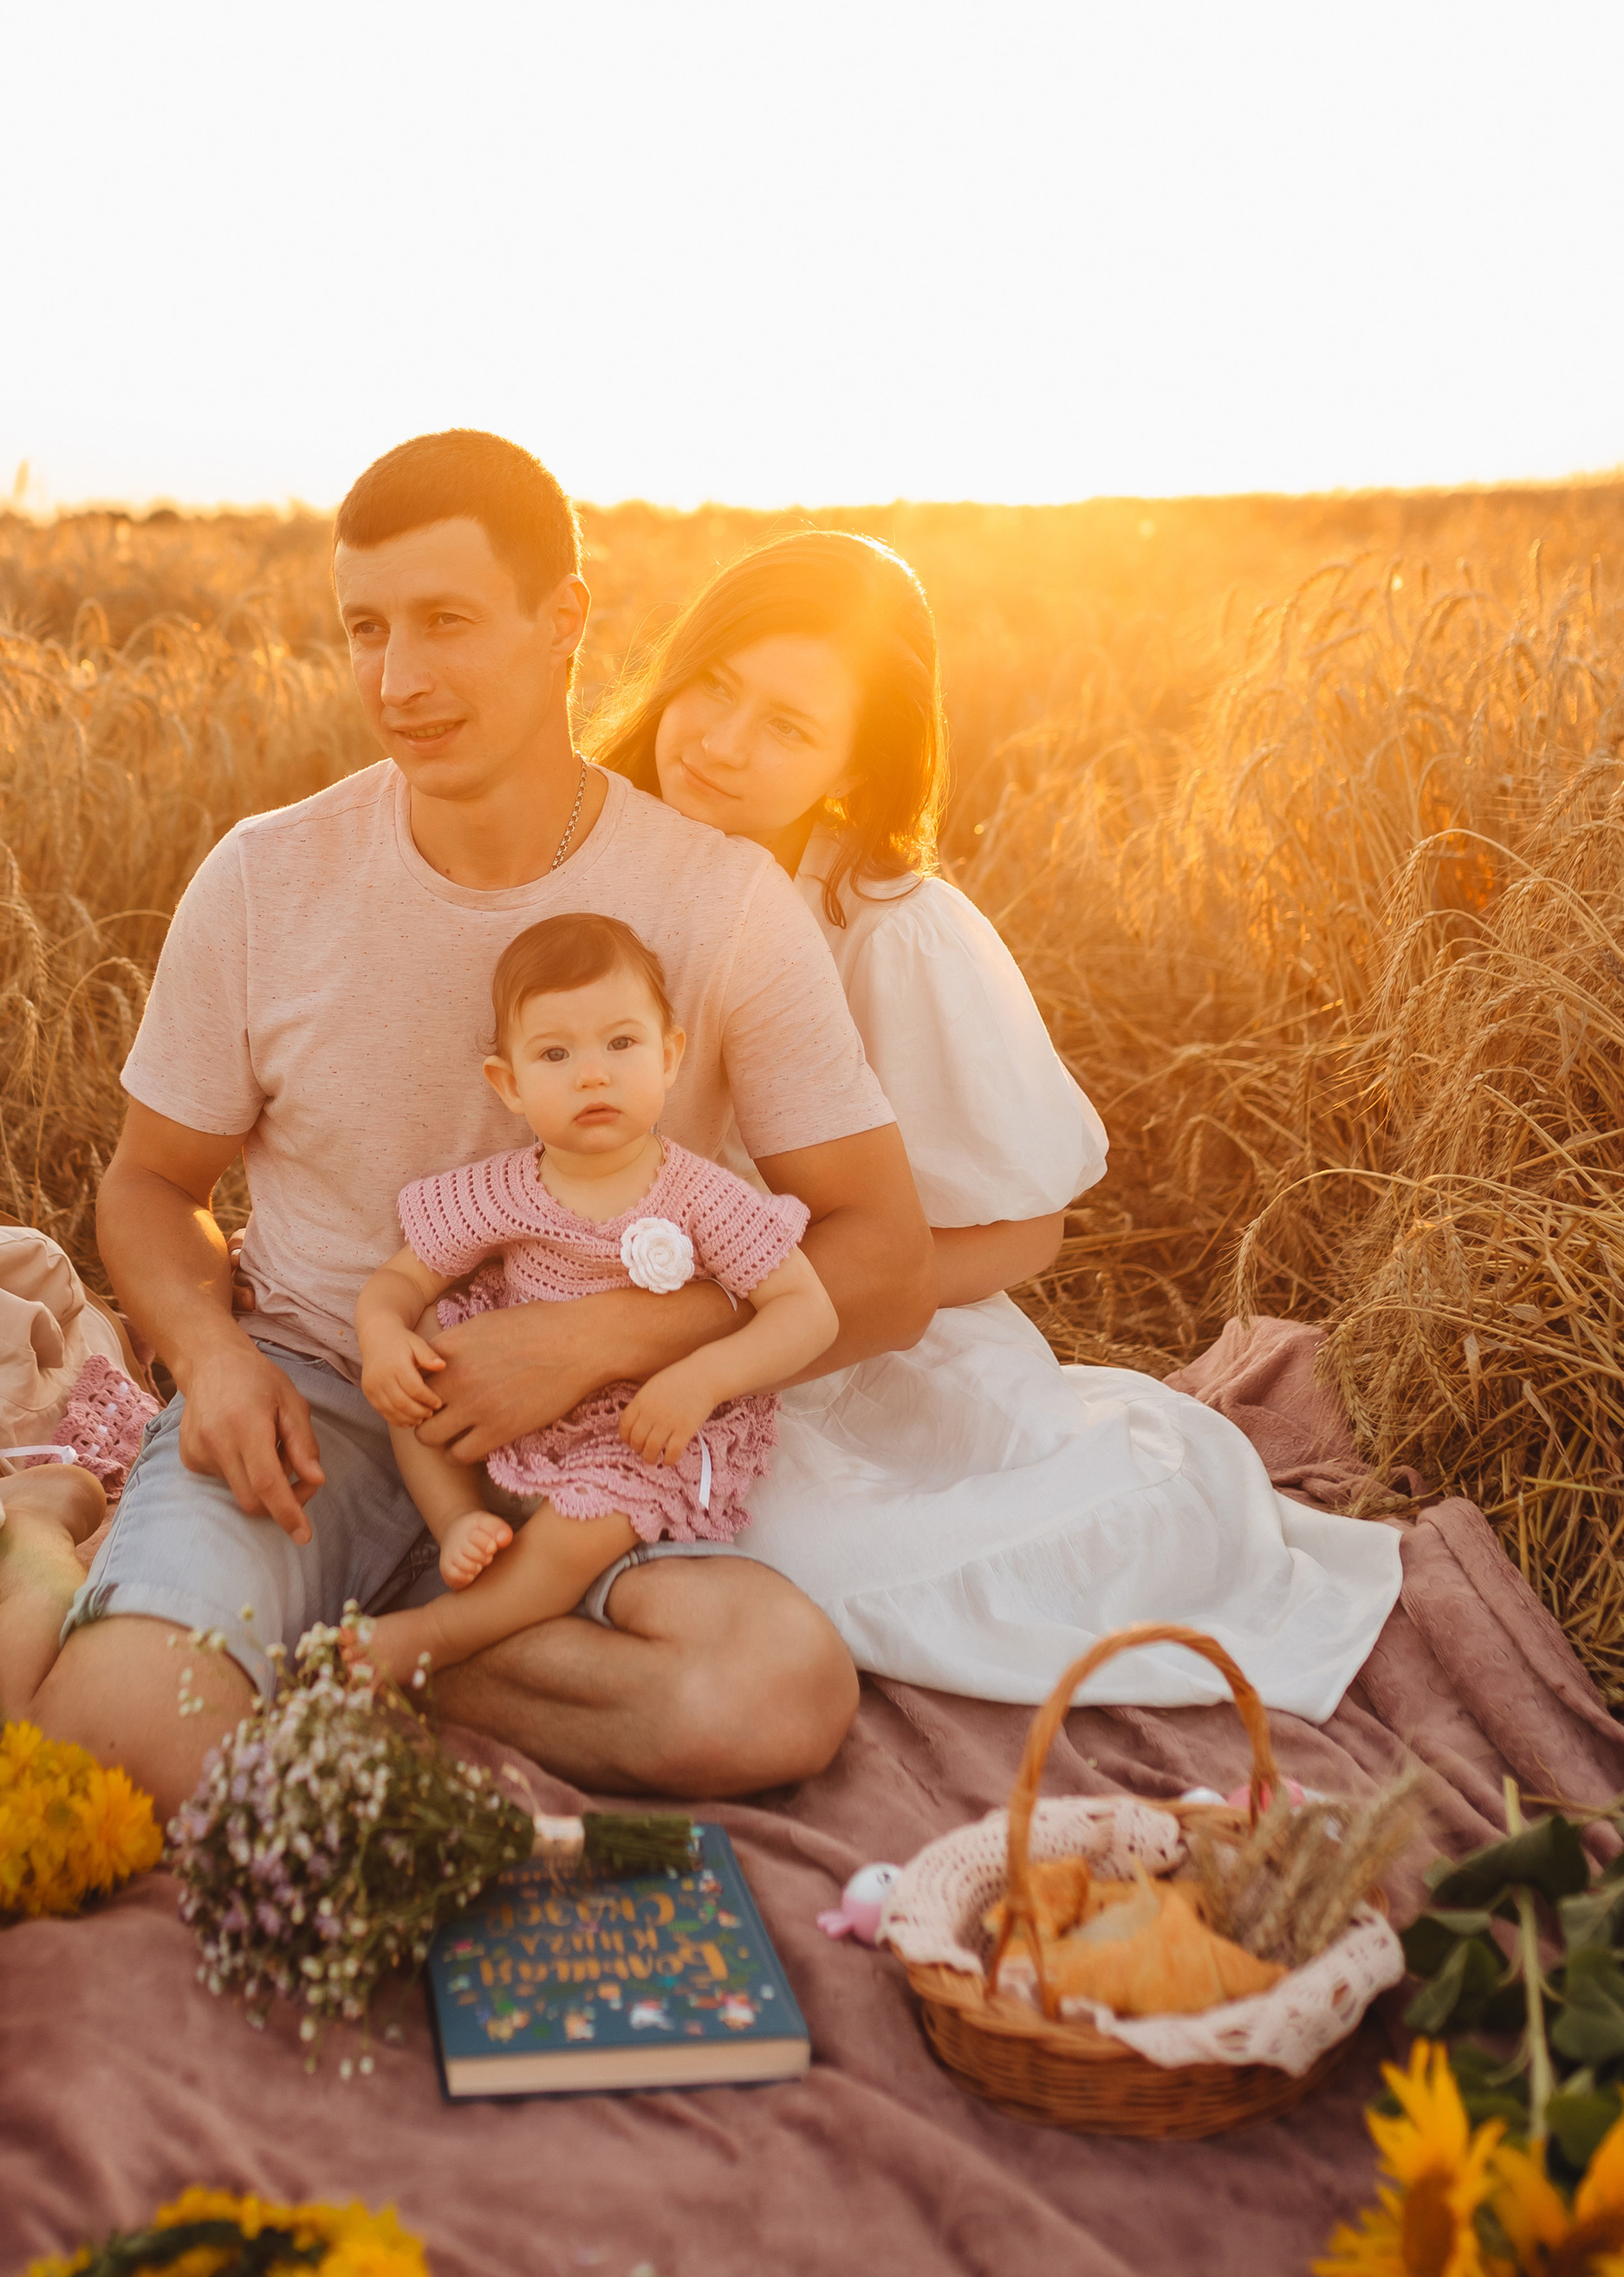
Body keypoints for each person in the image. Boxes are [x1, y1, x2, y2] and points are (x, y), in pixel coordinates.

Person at [0, 433, 936, 1811]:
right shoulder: (262, 879)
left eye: (446, 623)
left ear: (565, 622)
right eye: (365, 629)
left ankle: (341, 1640)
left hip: (605, 1448)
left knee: (771, 1695)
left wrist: (602, 1336)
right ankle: (62, 1542)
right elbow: (149, 1185)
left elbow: (886, 1257)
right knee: (125, 1748)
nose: (397, 680)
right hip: (318, 1392)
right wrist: (211, 1357)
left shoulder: (720, 902)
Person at [593, 529, 1402, 1718]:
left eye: (787, 727)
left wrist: (765, 1322)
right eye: (715, 688)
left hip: (862, 1351)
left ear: (850, 775)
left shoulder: (889, 928)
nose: (721, 743)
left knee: (990, 1546)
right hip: (619, 1317)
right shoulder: (588, 849)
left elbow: (1030, 1238)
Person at [348, 909, 837, 1687]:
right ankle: (456, 1521)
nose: (593, 1074)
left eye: (621, 1043)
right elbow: (404, 1281)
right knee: (423, 1355)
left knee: (586, 1526)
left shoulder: (701, 1196)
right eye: (554, 1053)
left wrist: (702, 1378)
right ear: (508, 1084)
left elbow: (808, 1311)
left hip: (640, 1427)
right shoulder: (501, 1189)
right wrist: (381, 1335)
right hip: (509, 1398)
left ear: (670, 1055)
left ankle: (448, 1629)